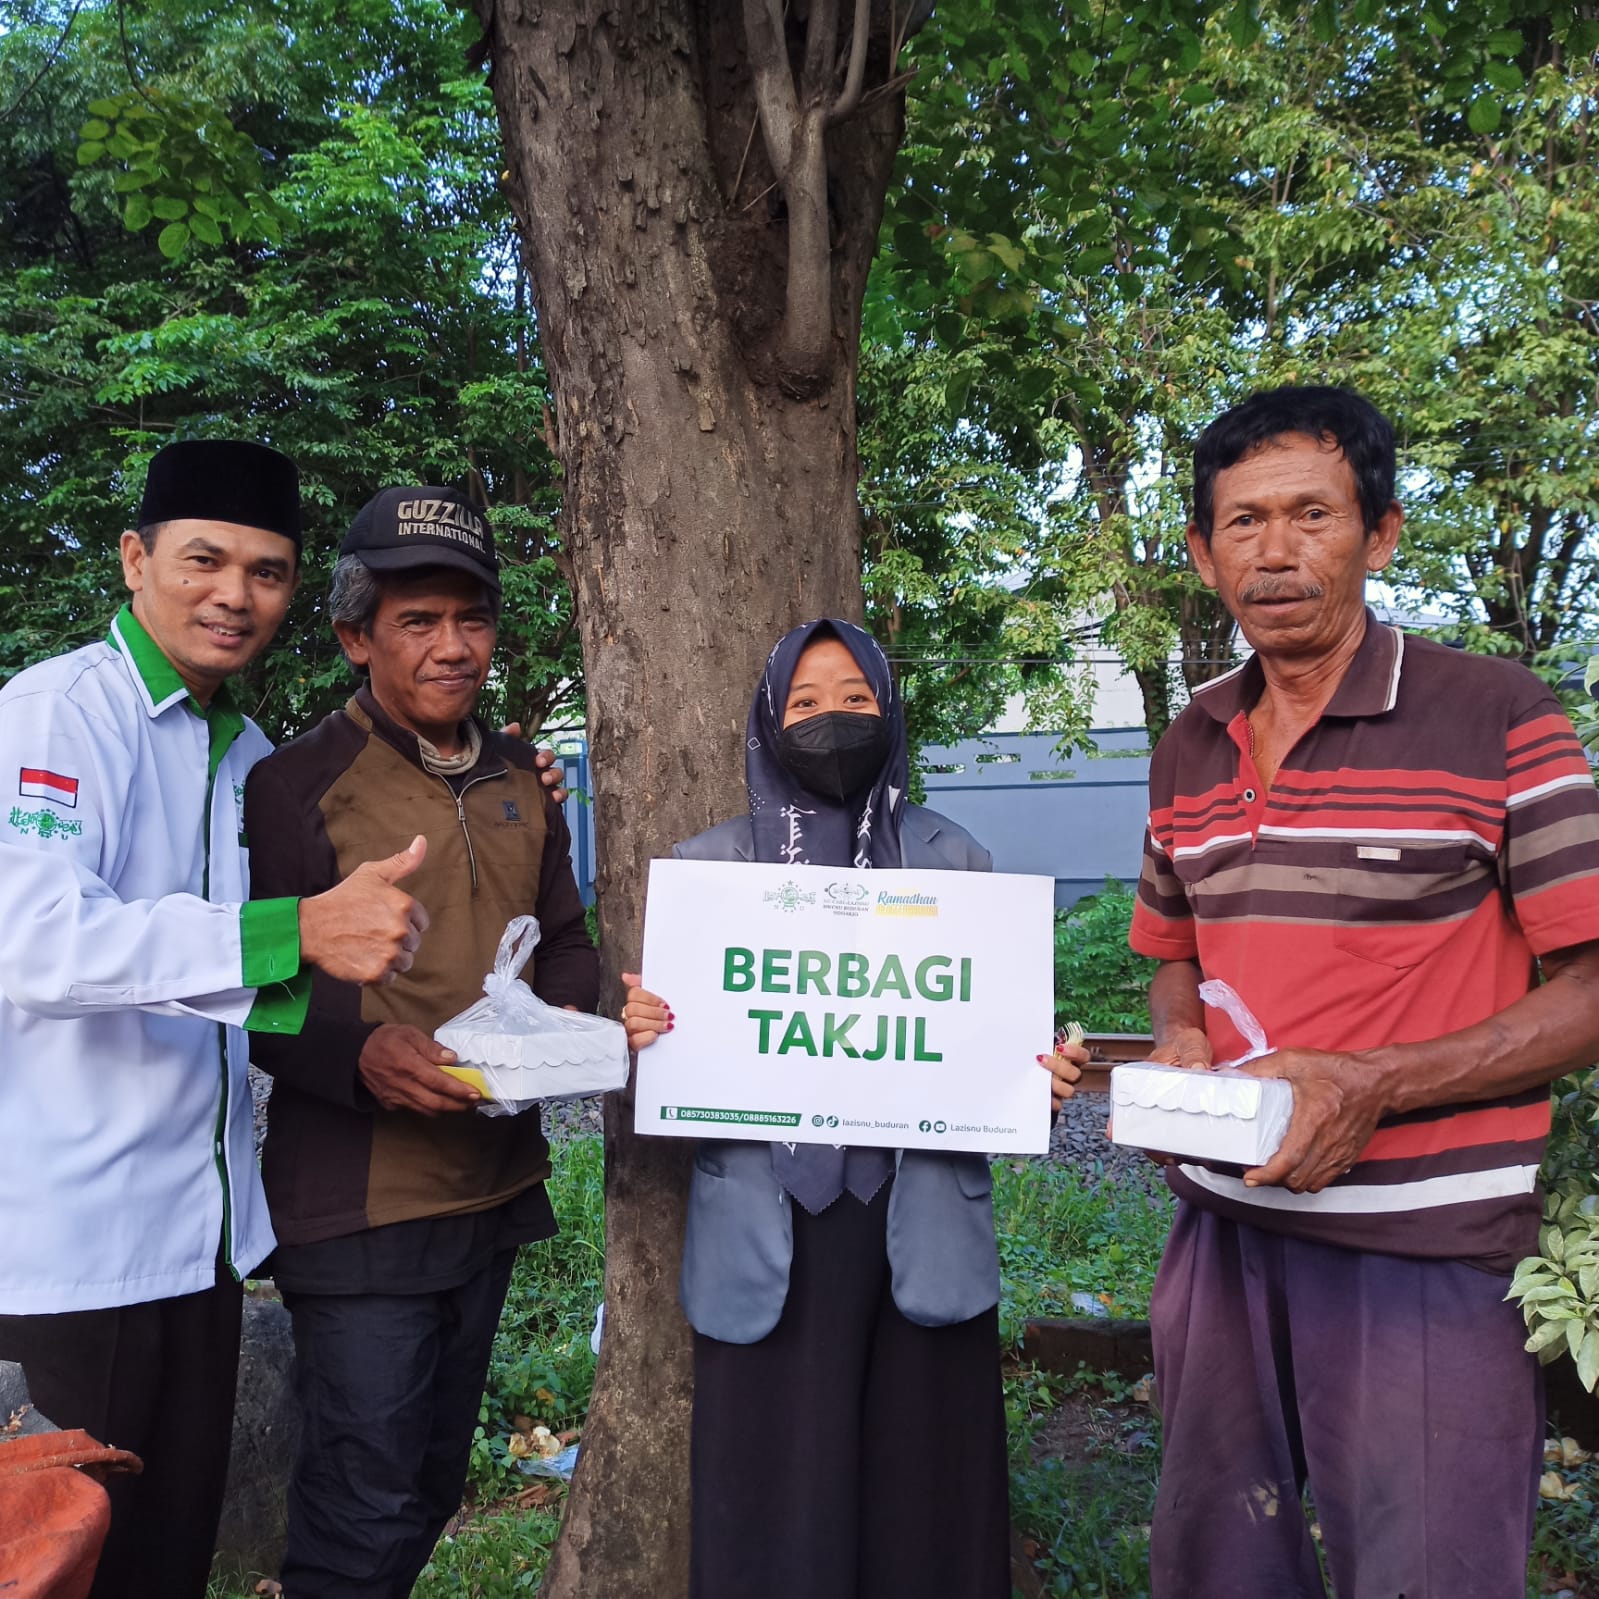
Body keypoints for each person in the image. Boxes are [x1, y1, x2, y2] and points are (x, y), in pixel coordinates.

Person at [1128, 385, 1599, 1598]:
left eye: (1311, 516)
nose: (1275, 553)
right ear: (1202, 552)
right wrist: (1178, 1038)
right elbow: (1172, 947)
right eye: (1241, 524)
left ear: (1380, 534)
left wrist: (1373, 1083)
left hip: (1426, 1255)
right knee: (1217, 1562)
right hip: (1223, 1234)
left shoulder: (1497, 714)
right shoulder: (1191, 740)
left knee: (1429, 1569)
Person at [0, 440, 428, 1598]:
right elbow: (35, 944)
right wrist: (292, 933)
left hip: (201, 1257)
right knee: (46, 1566)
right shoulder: (55, 715)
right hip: (63, 1261)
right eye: (205, 560)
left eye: (269, 573)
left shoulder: (240, 753)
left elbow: (227, 988)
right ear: (136, 559)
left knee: (161, 1565)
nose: (235, 596)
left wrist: (358, 1032)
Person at [621, 617, 1084, 1599]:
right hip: (768, 1226)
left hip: (920, 1229)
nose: (832, 720)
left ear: (892, 711)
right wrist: (645, 1038)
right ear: (766, 720)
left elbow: (1001, 1051)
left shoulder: (957, 861)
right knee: (774, 1510)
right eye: (805, 703)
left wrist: (1040, 1076)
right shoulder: (708, 872)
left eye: (856, 700)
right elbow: (665, 1076)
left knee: (928, 1506)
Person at [244, 485, 601, 1597]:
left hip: (491, 1194)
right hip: (359, 1213)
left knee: (431, 1486)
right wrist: (360, 1056)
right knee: (363, 1507)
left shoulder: (520, 776)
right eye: (416, 621)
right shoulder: (294, 785)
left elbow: (568, 940)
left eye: (473, 619)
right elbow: (256, 991)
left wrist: (582, 1024)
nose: (454, 647)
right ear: (357, 636)